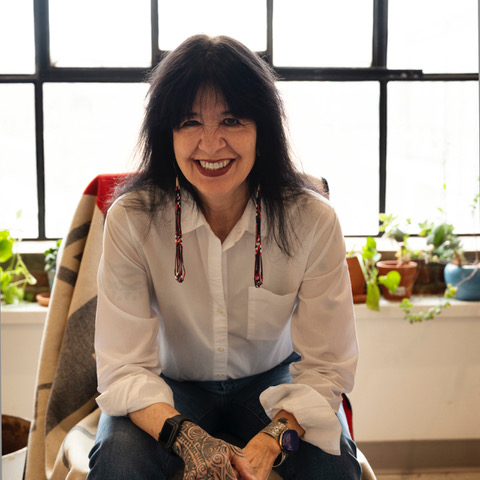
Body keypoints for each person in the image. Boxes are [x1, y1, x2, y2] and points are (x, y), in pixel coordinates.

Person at [87, 34, 360, 480]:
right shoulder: (131, 219)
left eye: (231, 120)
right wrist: (187, 438)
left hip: (272, 380)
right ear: (167, 134)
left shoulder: (313, 219)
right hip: (171, 386)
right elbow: (124, 366)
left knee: (333, 464)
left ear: (263, 131)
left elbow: (327, 364)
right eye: (189, 122)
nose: (211, 145)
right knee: (118, 458)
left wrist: (274, 438)